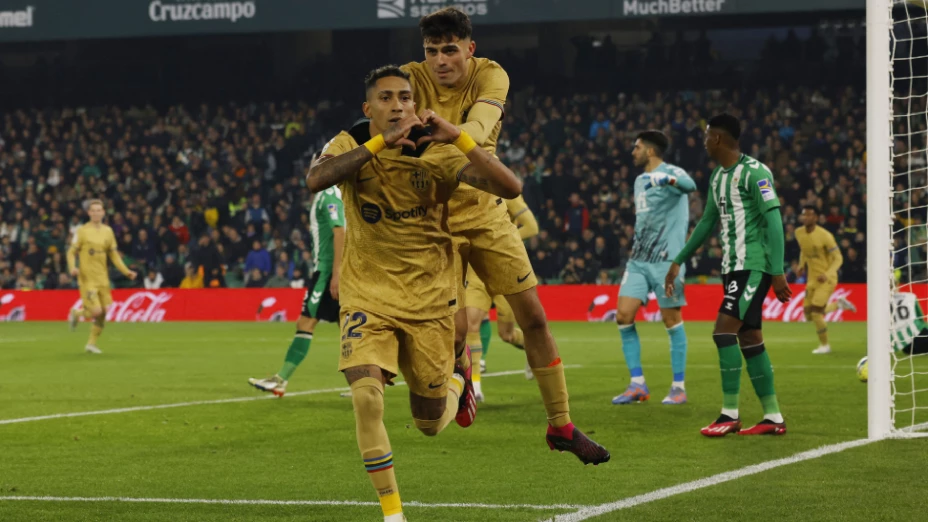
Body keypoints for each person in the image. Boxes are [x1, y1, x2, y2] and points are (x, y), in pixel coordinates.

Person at [307, 65, 521, 522]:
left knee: (428, 423)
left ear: (414, 103)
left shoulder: (437, 154)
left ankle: (458, 380)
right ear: (369, 108)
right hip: (368, 295)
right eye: (385, 98)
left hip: (429, 300)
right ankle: (393, 514)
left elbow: (510, 187)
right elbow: (315, 180)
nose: (397, 105)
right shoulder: (350, 143)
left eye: (404, 97)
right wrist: (379, 143)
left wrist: (461, 139)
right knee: (366, 396)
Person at [402, 6, 610, 465]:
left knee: (533, 318)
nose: (440, 61)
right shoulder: (409, 79)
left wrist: (445, 136)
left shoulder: (491, 75)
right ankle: (462, 364)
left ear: (469, 49)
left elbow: (477, 129)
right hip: (433, 220)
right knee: (457, 331)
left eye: (449, 50)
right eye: (432, 51)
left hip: (486, 210)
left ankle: (561, 425)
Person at [665, 113, 792, 437]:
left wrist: (777, 270)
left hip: (753, 267)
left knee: (723, 332)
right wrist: (679, 259)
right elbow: (707, 222)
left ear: (717, 139)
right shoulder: (718, 177)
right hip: (732, 269)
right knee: (750, 339)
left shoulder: (755, 172)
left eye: (707, 135)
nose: (704, 140)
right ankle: (773, 417)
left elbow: (774, 220)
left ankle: (729, 414)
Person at [613, 131, 695, 406]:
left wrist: (668, 179)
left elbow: (690, 185)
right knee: (623, 315)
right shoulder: (638, 181)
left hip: (666, 261)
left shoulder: (673, 172)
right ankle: (637, 384)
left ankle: (678, 387)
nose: (632, 152)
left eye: (636, 147)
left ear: (649, 151)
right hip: (639, 260)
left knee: (671, 320)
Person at [248, 186, 345, 396]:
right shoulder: (329, 194)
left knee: (306, 322)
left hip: (327, 272)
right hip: (330, 270)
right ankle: (364, 383)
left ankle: (281, 379)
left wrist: (336, 272)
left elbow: (340, 230)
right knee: (346, 325)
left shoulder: (329, 194)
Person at [464, 194, 539, 400]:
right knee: (471, 325)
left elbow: (531, 227)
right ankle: (475, 386)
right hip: (476, 272)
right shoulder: (464, 190)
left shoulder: (505, 192)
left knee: (506, 334)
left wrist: (501, 240)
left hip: (504, 269)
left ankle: (530, 347)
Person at [67, 199, 138, 353]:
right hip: (87, 278)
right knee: (97, 311)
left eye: (99, 210)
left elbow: (114, 255)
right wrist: (73, 267)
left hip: (103, 278)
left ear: (104, 212)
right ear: (89, 213)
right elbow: (71, 252)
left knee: (103, 313)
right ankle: (77, 313)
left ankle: (91, 344)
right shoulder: (82, 231)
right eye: (94, 210)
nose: (96, 213)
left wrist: (126, 271)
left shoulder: (108, 231)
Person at [795, 204, 856, 354]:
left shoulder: (825, 236)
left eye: (809, 215)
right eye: (804, 214)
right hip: (812, 279)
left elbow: (838, 258)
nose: (806, 217)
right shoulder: (799, 233)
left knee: (816, 313)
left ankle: (825, 345)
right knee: (808, 315)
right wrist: (801, 265)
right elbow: (804, 250)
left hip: (826, 279)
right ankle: (838, 305)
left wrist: (827, 274)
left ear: (815, 218)